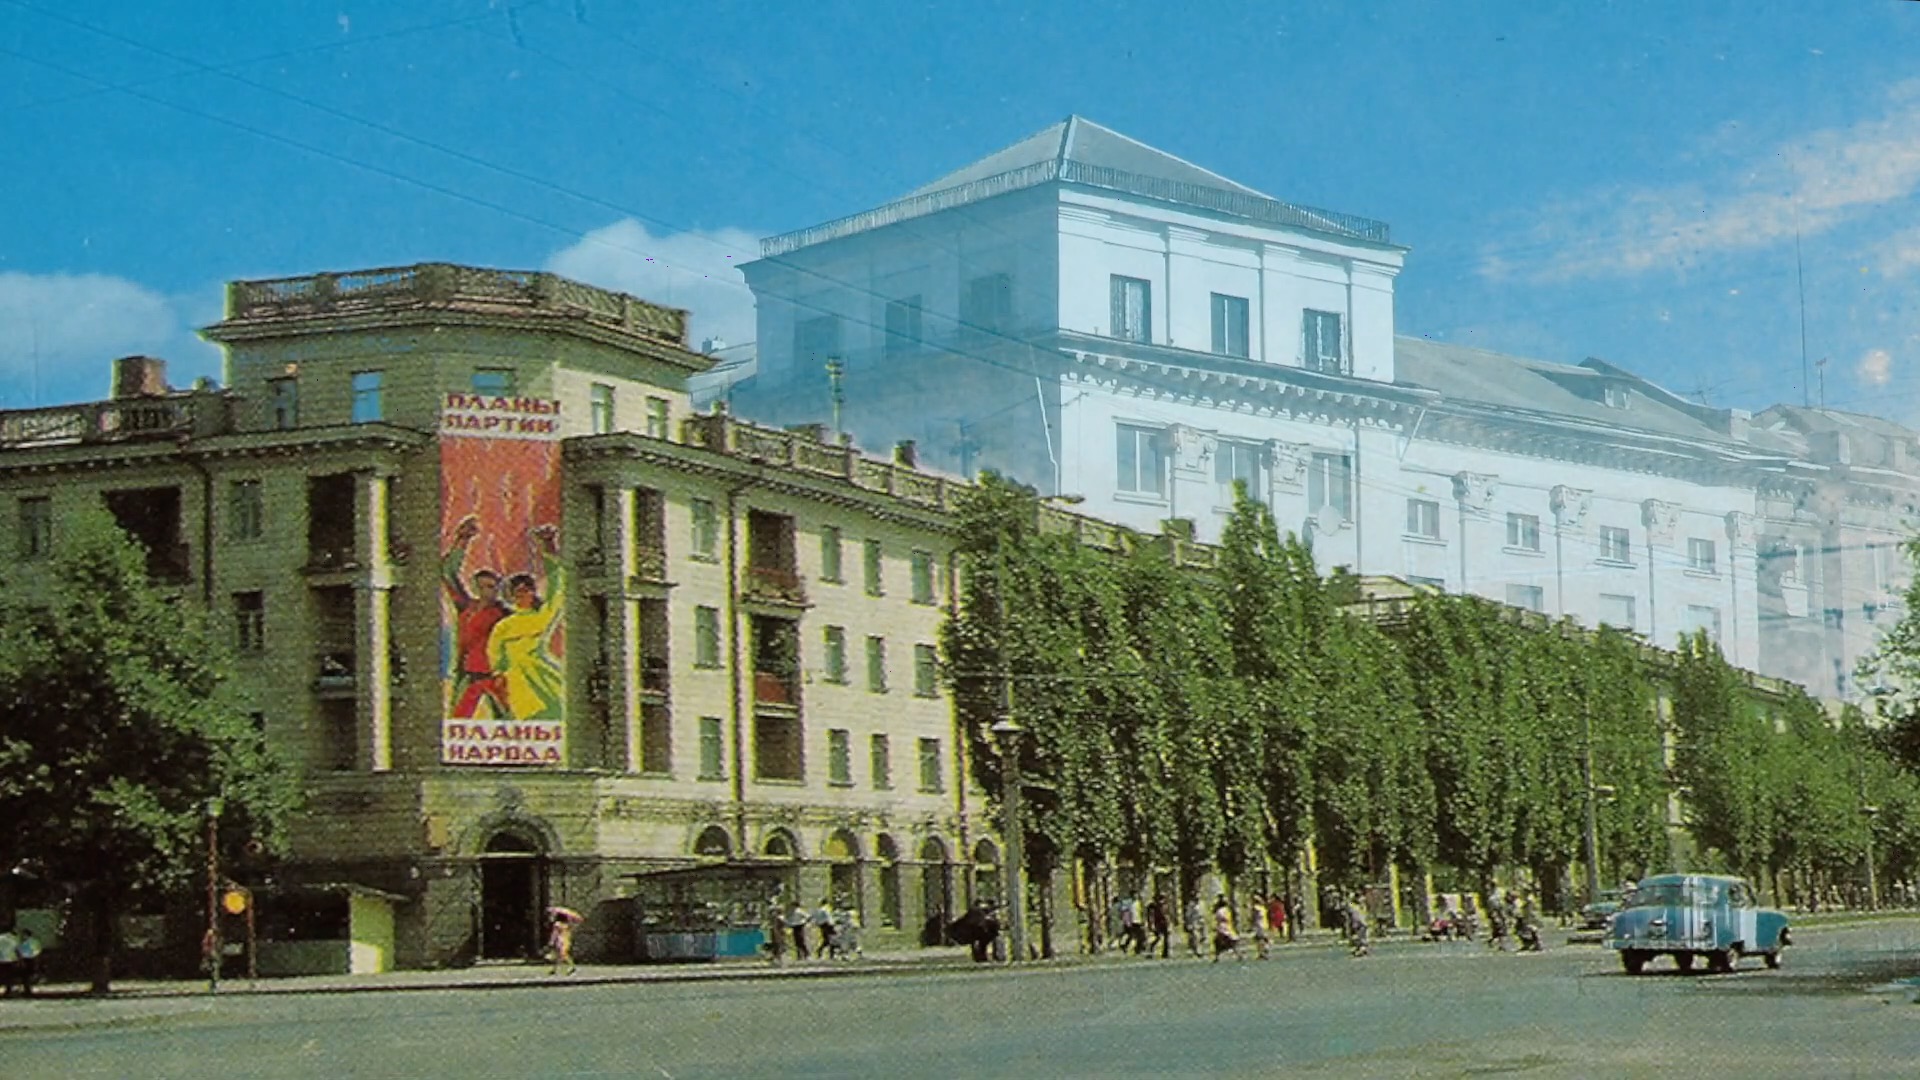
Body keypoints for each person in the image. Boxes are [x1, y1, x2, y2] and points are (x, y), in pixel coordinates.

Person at [486, 525, 567, 722]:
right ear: (511, 596)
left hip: (543, 672)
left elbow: (557, 585)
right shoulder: (505, 625)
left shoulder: (542, 615)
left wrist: (548, 548)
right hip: (517, 679)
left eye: (527, 590)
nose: (523, 595)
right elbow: (494, 651)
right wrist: (498, 674)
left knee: (556, 712)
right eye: (518, 592)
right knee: (527, 717)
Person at [442, 514, 511, 719]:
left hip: (495, 676)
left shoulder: (504, 614)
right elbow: (447, 572)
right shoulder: (466, 607)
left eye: (491, 587)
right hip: (468, 674)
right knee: (457, 722)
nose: (486, 591)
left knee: (508, 723)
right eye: (481, 587)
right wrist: (462, 540)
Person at [1211, 895, 1243, 963]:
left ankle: (1218, 956)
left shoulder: (1221, 911)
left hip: (1223, 928)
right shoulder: (1227, 910)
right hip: (1226, 928)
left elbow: (1222, 918)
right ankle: (1218, 956)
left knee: (1220, 942)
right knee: (1220, 942)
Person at [12, 927, 36, 997]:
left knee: (26, 976)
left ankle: (27, 990)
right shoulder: (24, 942)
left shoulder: (28, 943)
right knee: (25, 976)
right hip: (26, 960)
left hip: (27, 960)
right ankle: (27, 989)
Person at [1248, 893, 1272, 960]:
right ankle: (1265, 952)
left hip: (1259, 926)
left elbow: (1253, 918)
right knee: (1264, 940)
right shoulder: (1263, 908)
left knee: (1259, 940)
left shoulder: (1255, 908)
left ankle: (1262, 954)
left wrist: (1251, 925)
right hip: (1264, 924)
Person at [0, 927, 16, 997]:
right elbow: (16, 949)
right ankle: (8, 989)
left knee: (2, 975)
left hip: (1, 959)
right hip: (11, 959)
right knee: (9, 976)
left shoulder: (0, 938)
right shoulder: (13, 939)